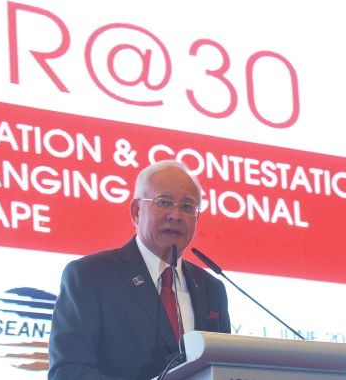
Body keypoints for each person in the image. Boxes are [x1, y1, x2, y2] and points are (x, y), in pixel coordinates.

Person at [48, 160, 231, 380]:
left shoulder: (212, 289)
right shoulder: (91, 275)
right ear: (136, 211)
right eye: (164, 202)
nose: (176, 215)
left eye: (187, 206)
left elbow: (224, 370)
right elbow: (67, 372)